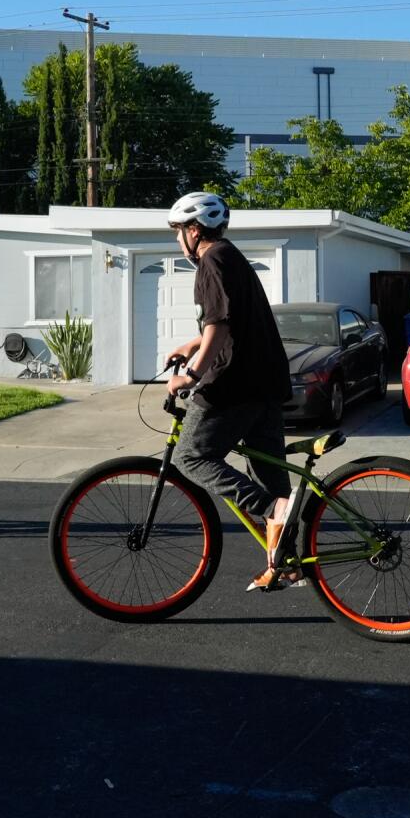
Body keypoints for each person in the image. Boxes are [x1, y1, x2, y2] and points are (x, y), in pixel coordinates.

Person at [161, 191, 296, 591]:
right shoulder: (231, 255)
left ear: (194, 230)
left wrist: (193, 373)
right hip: (267, 382)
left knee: (191, 456)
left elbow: (219, 325)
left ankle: (272, 509)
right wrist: (193, 345)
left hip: (237, 383)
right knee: (272, 474)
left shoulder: (212, 260)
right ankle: (285, 564)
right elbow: (228, 323)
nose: (177, 241)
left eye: (178, 233)